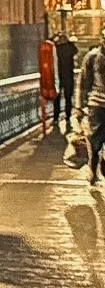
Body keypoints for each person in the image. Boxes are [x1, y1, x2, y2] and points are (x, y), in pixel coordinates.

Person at [79, 41, 105, 184]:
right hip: (97, 105)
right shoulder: (93, 57)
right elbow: (83, 82)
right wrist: (79, 107)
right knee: (96, 140)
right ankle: (93, 167)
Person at [54, 32, 79, 133]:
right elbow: (75, 51)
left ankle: (56, 116)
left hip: (58, 76)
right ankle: (68, 116)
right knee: (68, 97)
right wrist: (69, 42)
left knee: (57, 97)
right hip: (68, 75)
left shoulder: (57, 48)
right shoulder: (70, 48)